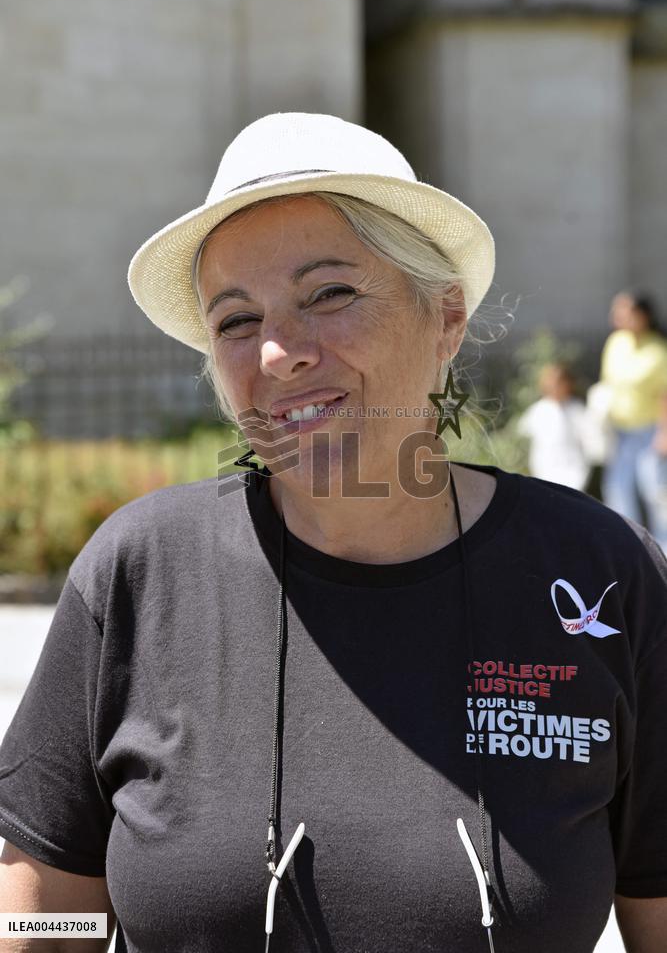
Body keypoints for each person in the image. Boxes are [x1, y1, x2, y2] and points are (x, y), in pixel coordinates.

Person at [1, 113, 666, 953]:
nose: (278, 351)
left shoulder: (600, 575)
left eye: (329, 294)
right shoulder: (138, 574)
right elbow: (36, 913)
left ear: (446, 320)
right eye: (236, 320)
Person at [600, 292, 667, 552]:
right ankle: (627, 547)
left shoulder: (658, 351)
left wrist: (664, 434)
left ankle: (662, 550)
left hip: (650, 432)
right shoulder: (616, 342)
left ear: (642, 316)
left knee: (655, 491)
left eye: (623, 311)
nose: (616, 317)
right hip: (620, 432)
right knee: (618, 489)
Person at [516, 362, 592, 490]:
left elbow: (590, 437)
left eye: (560, 384)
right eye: (553, 384)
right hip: (545, 468)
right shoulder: (539, 410)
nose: (556, 388)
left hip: (573, 468)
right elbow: (522, 434)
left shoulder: (577, 409)